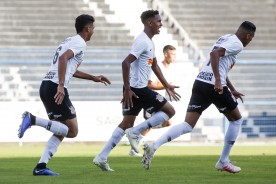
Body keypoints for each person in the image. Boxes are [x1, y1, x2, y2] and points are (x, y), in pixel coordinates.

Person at [142, 21, 256, 173]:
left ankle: (153, 146)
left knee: (188, 125)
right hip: (214, 85)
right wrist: (217, 81)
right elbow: (214, 55)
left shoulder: (225, 38)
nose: (250, 41)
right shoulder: (238, 45)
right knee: (236, 120)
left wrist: (232, 88)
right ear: (248, 35)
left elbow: (220, 64)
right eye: (251, 38)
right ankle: (223, 161)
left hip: (200, 82)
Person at [17, 14, 111, 176]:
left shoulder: (68, 40)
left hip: (46, 85)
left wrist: (93, 78)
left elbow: (69, 68)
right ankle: (33, 119)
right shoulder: (80, 43)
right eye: (93, 28)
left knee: (61, 131)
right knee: (73, 131)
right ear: (88, 29)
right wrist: (61, 85)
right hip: (55, 87)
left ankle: (41, 166)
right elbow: (63, 59)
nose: (93, 31)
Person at [93, 10, 180, 171]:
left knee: (126, 123)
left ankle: (101, 157)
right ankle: (136, 132)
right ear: (150, 23)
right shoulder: (142, 41)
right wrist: (127, 88)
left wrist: (166, 85)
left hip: (134, 88)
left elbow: (154, 66)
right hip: (137, 88)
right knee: (169, 111)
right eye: (158, 21)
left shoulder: (150, 42)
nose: (161, 24)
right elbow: (125, 63)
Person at [129, 45, 177, 157]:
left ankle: (135, 141)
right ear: (166, 54)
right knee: (157, 123)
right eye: (173, 54)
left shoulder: (169, 69)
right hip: (151, 99)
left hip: (160, 101)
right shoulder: (157, 66)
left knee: (164, 123)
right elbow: (149, 85)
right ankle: (135, 139)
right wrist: (166, 86)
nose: (175, 56)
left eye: (175, 54)